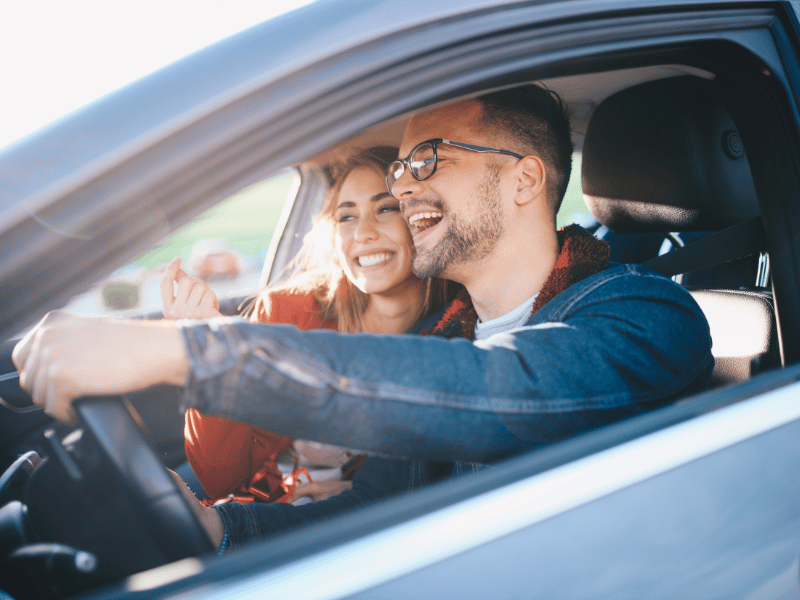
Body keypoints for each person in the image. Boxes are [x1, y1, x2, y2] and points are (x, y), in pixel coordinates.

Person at [13, 85, 714, 552]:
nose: (404, 188)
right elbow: (371, 509)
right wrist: (221, 527)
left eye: (428, 161)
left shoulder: (647, 313)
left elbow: (498, 391)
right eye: (402, 168)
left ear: (526, 179)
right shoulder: (452, 333)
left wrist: (192, 352)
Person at [161, 146, 452, 505]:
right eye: (347, 217)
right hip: (263, 513)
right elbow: (221, 477)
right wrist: (209, 352)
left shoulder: (457, 327)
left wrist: (367, 493)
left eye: (385, 209)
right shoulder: (290, 312)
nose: (363, 233)